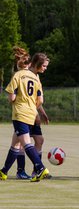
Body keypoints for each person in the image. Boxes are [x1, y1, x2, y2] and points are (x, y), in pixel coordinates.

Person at [0, 47, 50, 182]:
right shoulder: (35, 78)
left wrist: (16, 100)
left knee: (25, 143)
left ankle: (40, 168)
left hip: (20, 113)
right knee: (15, 144)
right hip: (31, 114)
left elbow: (11, 98)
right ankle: (3, 172)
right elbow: (40, 100)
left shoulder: (17, 75)